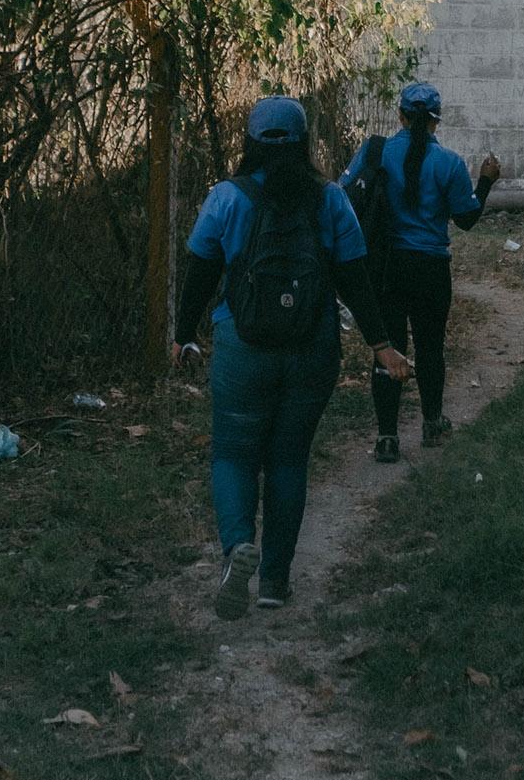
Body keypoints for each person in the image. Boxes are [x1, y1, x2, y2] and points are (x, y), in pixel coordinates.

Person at [174, 94, 412, 620]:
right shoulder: (330, 199)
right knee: (287, 460)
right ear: (304, 143)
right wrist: (381, 343)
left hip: (243, 347)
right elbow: (355, 278)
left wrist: (183, 332)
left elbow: (199, 270)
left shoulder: (227, 198)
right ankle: (275, 582)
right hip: (312, 347)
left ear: (250, 142)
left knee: (234, 454)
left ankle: (238, 547)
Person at [342, 82, 501, 463]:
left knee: (388, 347)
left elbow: (346, 195)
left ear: (400, 115)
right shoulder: (448, 163)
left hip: (386, 266)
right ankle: (432, 424)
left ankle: (386, 437)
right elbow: (465, 219)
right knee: (431, 347)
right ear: (436, 122)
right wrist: (486, 181)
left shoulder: (375, 151)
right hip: (431, 268)